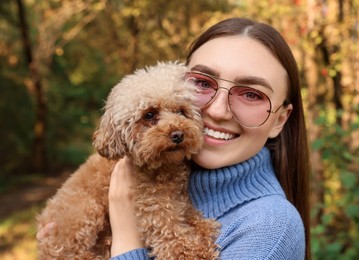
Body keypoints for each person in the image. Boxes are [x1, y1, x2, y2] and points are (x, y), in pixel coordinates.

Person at [38, 17, 311, 259]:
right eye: (203, 83)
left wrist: (125, 243)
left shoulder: (271, 231)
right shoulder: (164, 174)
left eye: (251, 94)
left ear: (280, 119)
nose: (217, 110)